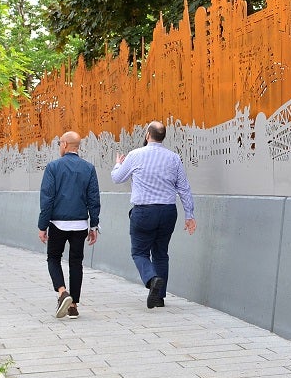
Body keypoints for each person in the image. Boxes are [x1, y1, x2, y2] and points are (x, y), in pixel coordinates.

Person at [111, 120, 196, 308]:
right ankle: (159, 297)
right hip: (167, 211)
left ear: (147, 135)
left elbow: (117, 178)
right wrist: (189, 214)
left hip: (144, 212)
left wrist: (118, 165)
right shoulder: (173, 158)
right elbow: (184, 188)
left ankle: (152, 279)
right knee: (161, 253)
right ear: (162, 137)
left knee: (139, 252)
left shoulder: (135, 155)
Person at [38, 131, 101, 319]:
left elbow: (47, 199)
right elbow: (94, 199)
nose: (59, 146)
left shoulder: (53, 167)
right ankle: (73, 305)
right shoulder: (88, 168)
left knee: (53, 258)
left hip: (57, 223)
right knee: (76, 263)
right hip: (80, 224)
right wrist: (94, 225)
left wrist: (42, 226)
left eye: (59, 143)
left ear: (65, 144)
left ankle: (62, 291)